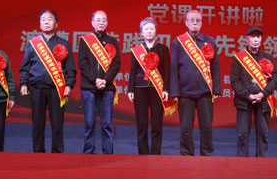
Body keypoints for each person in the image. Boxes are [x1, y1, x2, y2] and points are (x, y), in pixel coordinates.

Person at [19, 9, 76, 153]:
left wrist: (69, 84)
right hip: (36, 87)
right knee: (37, 122)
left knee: (57, 122)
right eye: (43, 19)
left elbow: (70, 68)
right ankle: (38, 151)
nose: (46, 22)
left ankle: (57, 151)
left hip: (56, 88)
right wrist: (24, 83)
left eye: (50, 19)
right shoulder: (33, 43)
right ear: (39, 24)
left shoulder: (63, 44)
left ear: (56, 24)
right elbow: (25, 66)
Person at [170, 10, 221, 156]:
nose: (194, 23)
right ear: (186, 23)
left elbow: (215, 67)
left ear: (201, 23)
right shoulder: (178, 42)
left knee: (207, 127)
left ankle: (207, 155)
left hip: (205, 92)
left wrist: (216, 89)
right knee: (186, 128)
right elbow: (174, 68)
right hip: (185, 93)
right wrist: (175, 92)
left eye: (197, 20)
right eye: (191, 20)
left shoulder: (210, 41)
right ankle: (187, 155)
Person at [230, 26, 277, 157]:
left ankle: (261, 162)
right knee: (242, 134)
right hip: (244, 101)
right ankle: (242, 162)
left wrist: (263, 94)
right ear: (246, 39)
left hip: (263, 100)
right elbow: (234, 81)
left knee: (263, 134)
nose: (256, 40)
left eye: (258, 37)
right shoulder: (239, 58)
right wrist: (248, 95)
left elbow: (274, 81)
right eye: (253, 37)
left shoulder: (268, 57)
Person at [78, 10, 121, 154]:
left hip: (107, 87)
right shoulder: (85, 40)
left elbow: (116, 64)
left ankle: (107, 153)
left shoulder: (113, 41)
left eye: (104, 20)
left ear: (107, 23)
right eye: (98, 20)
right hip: (89, 86)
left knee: (107, 123)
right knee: (89, 122)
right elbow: (82, 63)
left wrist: (105, 80)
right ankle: (89, 151)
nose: (101, 22)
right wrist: (94, 79)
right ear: (92, 22)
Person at [128, 17, 172, 155]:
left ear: (156, 31)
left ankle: (155, 154)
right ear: (141, 32)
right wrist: (130, 89)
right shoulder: (137, 50)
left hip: (157, 90)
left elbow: (167, 70)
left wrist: (166, 89)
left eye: (152, 28)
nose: (149, 31)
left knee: (157, 124)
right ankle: (143, 153)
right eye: (146, 29)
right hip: (140, 89)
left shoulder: (163, 49)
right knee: (141, 124)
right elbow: (133, 70)